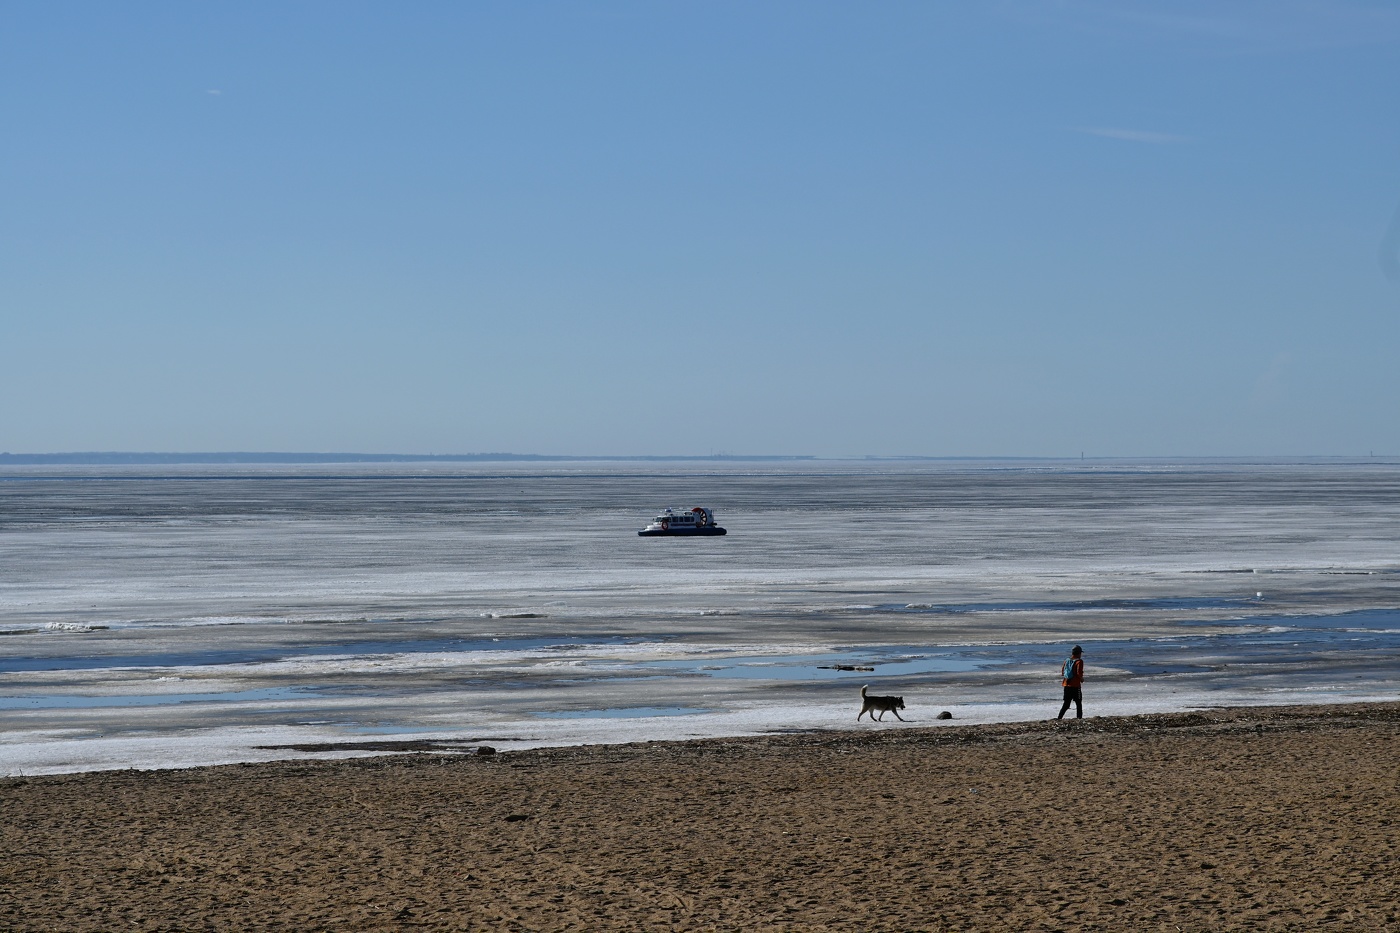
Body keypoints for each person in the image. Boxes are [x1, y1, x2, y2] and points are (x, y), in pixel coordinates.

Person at [1056, 645, 1084, 720]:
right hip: (1075, 685)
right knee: (1078, 703)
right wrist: (1081, 679)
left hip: (1066, 684)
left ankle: (1059, 718)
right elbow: (1079, 673)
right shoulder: (1079, 661)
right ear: (1078, 653)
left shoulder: (1067, 660)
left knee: (1066, 704)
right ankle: (1079, 718)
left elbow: (1063, 672)